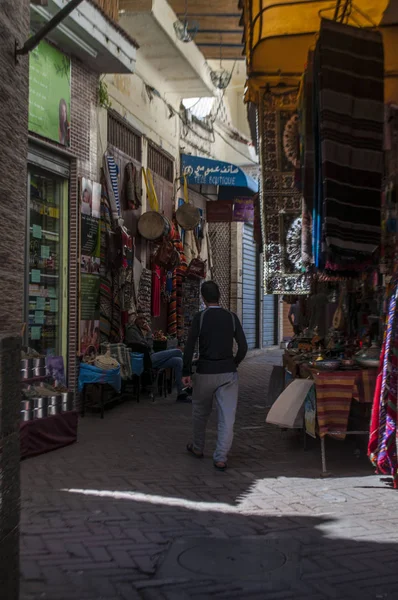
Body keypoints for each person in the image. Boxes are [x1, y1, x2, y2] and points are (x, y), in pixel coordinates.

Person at [182, 281, 248, 471]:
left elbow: (189, 346)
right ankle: (220, 458)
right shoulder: (232, 317)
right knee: (227, 418)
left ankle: (197, 447)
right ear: (219, 296)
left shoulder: (200, 318)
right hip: (228, 374)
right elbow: (243, 347)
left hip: (205, 373)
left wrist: (186, 372)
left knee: (200, 413)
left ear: (203, 298)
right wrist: (234, 363)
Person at [125, 316, 191, 403]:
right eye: (141, 319)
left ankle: (181, 393)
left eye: (144, 319)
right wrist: (149, 332)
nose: (143, 321)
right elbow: (147, 345)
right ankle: (187, 378)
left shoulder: (138, 330)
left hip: (151, 357)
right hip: (147, 359)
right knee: (178, 351)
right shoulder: (132, 331)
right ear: (135, 320)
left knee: (178, 361)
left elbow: (148, 345)